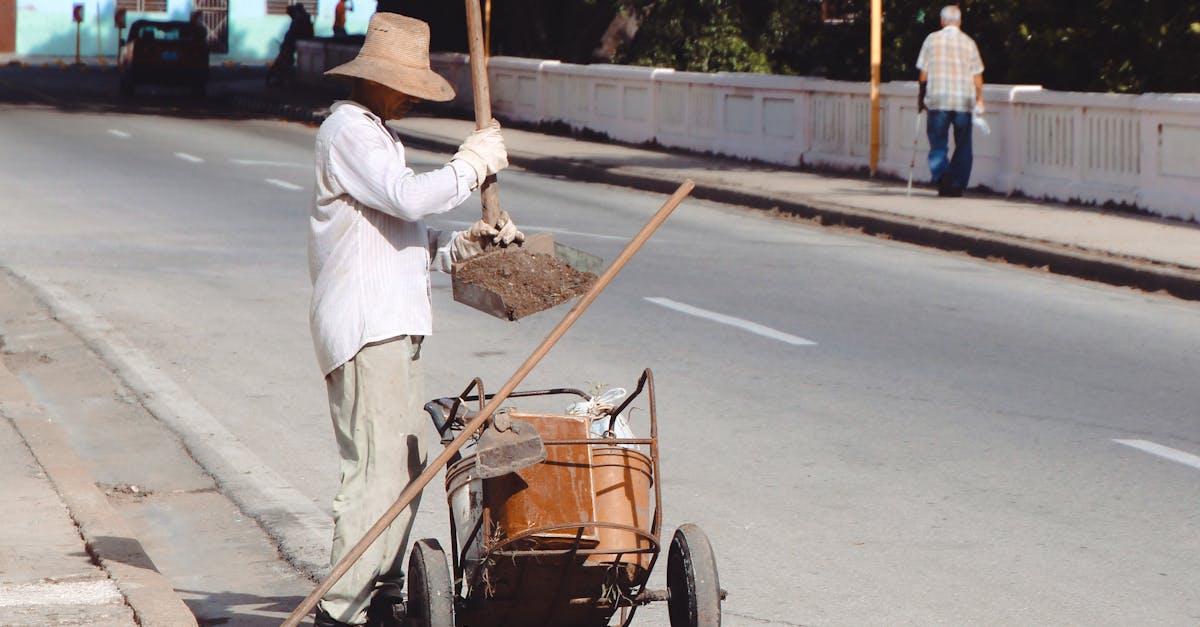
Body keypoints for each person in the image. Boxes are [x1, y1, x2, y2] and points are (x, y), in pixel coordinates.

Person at [307, 12, 521, 627]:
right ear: (375, 79)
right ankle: (337, 612)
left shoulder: (378, 136)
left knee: (404, 471)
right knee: (376, 476)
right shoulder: (348, 131)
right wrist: (471, 165)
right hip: (366, 330)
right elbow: (407, 197)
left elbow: (408, 242)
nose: (407, 95)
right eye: (403, 84)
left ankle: (379, 594)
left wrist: (470, 244)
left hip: (393, 328)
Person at [916, 5, 985, 197]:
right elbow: (977, 75)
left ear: (942, 21)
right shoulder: (969, 43)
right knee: (963, 144)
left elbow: (923, 75)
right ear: (960, 21)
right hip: (963, 101)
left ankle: (943, 175)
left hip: (938, 100)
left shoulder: (931, 40)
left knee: (938, 143)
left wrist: (921, 97)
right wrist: (979, 99)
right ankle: (957, 184)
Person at [267, 4, 313, 86]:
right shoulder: (301, 19)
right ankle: (281, 79)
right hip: (290, 44)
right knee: (285, 62)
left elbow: (295, 33)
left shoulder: (299, 19)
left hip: (289, 44)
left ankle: (281, 79)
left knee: (283, 62)